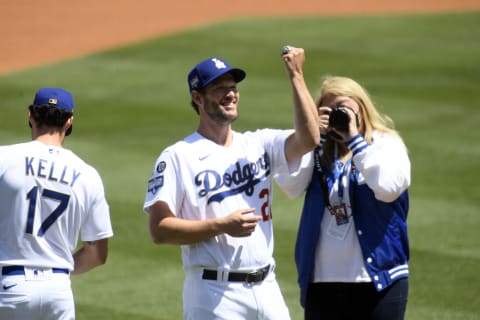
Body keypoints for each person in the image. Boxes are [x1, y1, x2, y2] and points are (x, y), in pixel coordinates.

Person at [143, 47, 319, 319]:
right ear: (197, 98)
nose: (230, 93)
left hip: (267, 287)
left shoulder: (259, 143)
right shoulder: (178, 156)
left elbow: (309, 139)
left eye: (233, 87)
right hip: (214, 293)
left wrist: (296, 75)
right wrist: (221, 226)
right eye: (219, 88)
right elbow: (159, 229)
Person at [276, 76, 411, 319]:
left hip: (378, 280)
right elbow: (290, 186)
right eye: (329, 110)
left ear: (362, 107)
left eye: (344, 108)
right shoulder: (318, 151)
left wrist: (354, 140)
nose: (338, 115)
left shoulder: (385, 143)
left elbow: (388, 188)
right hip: (322, 282)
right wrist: (313, 136)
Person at [0, 88, 114, 320]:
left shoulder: (4, 158)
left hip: (10, 287)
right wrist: (53, 272)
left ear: (30, 116)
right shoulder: (87, 174)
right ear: (69, 122)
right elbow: (98, 254)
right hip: (58, 291)